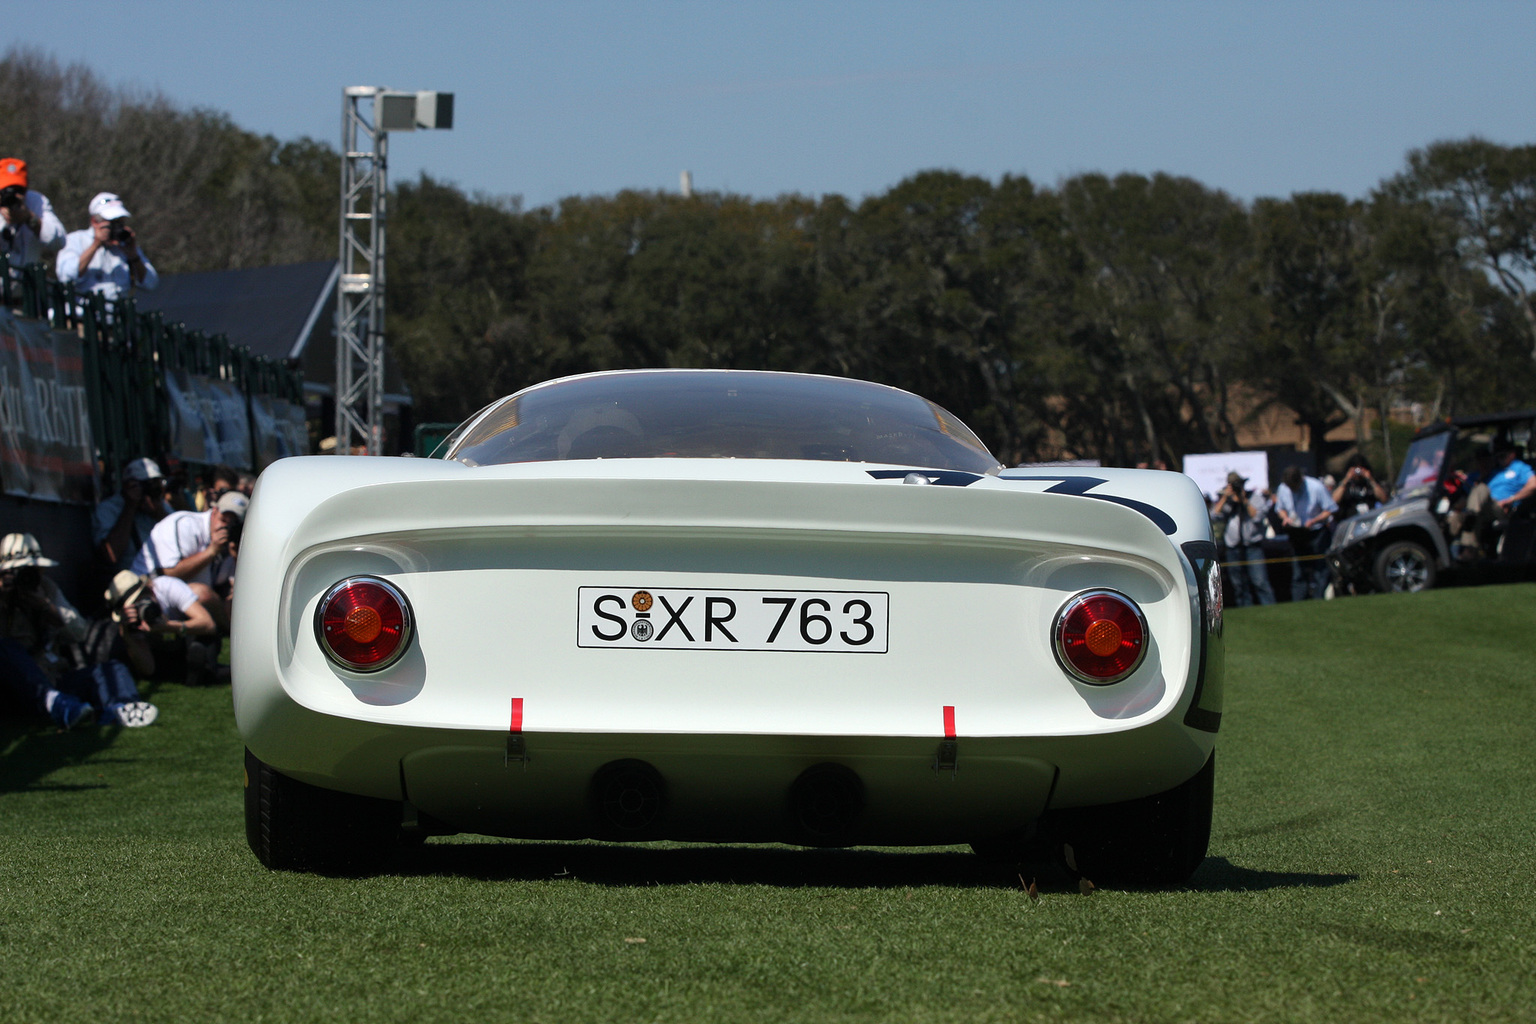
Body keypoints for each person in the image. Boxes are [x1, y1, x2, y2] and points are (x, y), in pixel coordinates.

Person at [0, 534, 157, 729]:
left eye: (32, 569)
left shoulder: (46, 589)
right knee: (6, 647)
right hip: (16, 687)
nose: (27, 576)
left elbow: (80, 632)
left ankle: (123, 709)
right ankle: (57, 705)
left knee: (111, 669)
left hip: (53, 678)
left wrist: (47, 607)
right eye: (17, 571)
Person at [131, 491, 247, 629]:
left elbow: (235, 589)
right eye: (223, 520)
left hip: (185, 598)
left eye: (233, 524)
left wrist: (235, 557)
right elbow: (170, 573)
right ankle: (226, 630)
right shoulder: (185, 525)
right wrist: (211, 551)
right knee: (201, 594)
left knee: (234, 598)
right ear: (214, 510)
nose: (225, 528)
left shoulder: (231, 542)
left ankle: (230, 631)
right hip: (148, 591)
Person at [55, 191, 158, 301]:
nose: (116, 227)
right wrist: (96, 244)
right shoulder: (75, 240)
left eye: (120, 222)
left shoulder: (126, 246)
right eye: (111, 222)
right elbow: (66, 277)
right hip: (84, 315)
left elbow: (151, 284)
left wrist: (133, 256)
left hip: (118, 315)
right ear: (94, 221)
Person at [93, 457, 175, 574]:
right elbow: (111, 555)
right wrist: (130, 507)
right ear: (127, 486)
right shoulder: (109, 509)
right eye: (146, 484)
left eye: (155, 484)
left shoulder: (159, 505)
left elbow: (181, 538)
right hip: (129, 580)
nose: (150, 489)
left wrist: (159, 514)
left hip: (164, 574)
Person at [1458, 444, 1536, 556]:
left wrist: (1511, 499)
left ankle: (1472, 512)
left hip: (1504, 507)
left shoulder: (1519, 467)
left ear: (1512, 455)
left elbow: (1533, 484)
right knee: (1471, 513)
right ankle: (1470, 551)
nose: (1500, 459)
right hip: (1485, 507)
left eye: (1503, 456)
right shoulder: (1494, 471)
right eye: (1497, 456)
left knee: (1480, 490)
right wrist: (1484, 475)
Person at [1211, 471, 1276, 607]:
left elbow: (1257, 516)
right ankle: (1245, 608)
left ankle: (1269, 606)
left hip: (1252, 546)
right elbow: (1213, 515)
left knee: (1260, 581)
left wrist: (1244, 500)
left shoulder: (1253, 497)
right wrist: (1225, 498)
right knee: (1238, 583)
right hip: (1233, 547)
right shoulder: (1227, 501)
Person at [1276, 465, 1338, 601]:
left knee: (1320, 569)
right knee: (1298, 570)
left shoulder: (1316, 487)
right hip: (1296, 533)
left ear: (1300, 480)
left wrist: (1315, 520)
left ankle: (1318, 598)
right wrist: (1285, 517)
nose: (1292, 489)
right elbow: (1280, 508)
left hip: (1316, 532)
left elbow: (1331, 509)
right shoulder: (1283, 488)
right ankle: (1299, 601)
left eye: (1294, 486)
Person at [0, 157, 66, 269]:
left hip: (25, 282)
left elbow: (59, 242)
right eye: (6, 190)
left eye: (19, 190)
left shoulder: (37, 201)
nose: (14, 195)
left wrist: (30, 218)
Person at [1332, 454, 1389, 520]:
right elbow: (1334, 501)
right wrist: (1346, 479)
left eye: (1360, 468)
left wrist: (1371, 479)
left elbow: (1384, 499)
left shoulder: (1370, 484)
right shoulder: (1345, 485)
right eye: (1355, 468)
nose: (1358, 472)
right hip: (1351, 519)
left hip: (1370, 518)